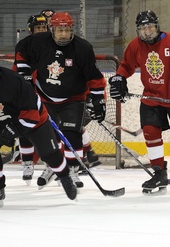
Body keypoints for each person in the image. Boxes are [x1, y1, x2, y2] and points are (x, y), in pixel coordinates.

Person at [108, 10, 170, 195]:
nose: (147, 32)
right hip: (151, 98)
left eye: (150, 27)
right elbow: (126, 66)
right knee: (151, 133)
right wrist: (119, 78)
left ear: (157, 26)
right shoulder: (136, 45)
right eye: (143, 28)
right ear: (138, 30)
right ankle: (159, 173)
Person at [16, 11, 106, 189]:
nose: (63, 34)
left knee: (72, 135)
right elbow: (21, 51)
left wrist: (98, 101)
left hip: (73, 99)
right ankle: (54, 166)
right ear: (52, 30)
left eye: (67, 30)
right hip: (45, 98)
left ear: (72, 29)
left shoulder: (82, 48)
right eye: (59, 30)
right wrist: (24, 74)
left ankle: (72, 170)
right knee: (48, 136)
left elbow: (94, 78)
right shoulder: (39, 42)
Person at [0, 66, 77, 207]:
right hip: (5, 118)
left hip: (33, 118)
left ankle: (65, 176)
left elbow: (31, 116)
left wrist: (13, 129)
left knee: (50, 155)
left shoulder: (13, 81)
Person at [13, 14, 48, 185]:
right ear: (31, 30)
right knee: (25, 128)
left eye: (43, 28)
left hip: (48, 92)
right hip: (26, 91)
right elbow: (20, 70)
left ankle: (52, 164)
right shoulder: (23, 45)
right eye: (37, 28)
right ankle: (27, 164)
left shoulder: (54, 44)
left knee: (50, 130)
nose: (41, 30)